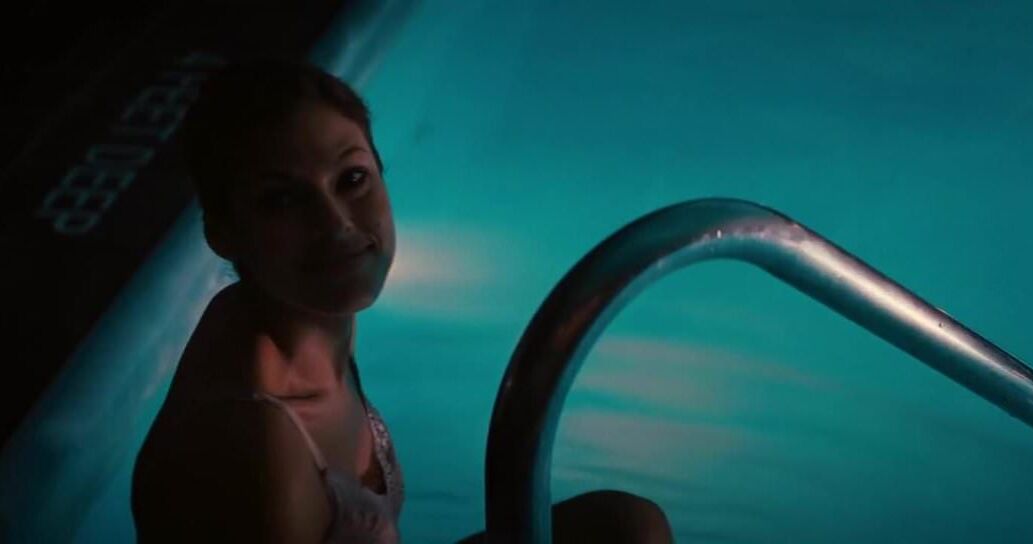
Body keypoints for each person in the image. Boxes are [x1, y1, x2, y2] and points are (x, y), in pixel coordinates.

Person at [130, 58, 673, 544]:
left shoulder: (299, 323)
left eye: (352, 178)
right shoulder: (255, 444)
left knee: (625, 527)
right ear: (223, 233)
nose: (336, 225)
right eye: (283, 200)